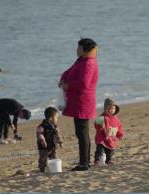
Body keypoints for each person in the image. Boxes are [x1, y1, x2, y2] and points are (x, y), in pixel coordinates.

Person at [60, 38, 99, 171]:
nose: (77, 50)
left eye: (79, 48)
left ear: (84, 49)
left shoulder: (89, 63)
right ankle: (85, 162)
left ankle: (84, 163)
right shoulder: (81, 61)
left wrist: (67, 85)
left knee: (82, 132)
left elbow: (84, 84)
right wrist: (63, 78)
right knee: (81, 132)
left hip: (83, 102)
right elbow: (69, 71)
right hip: (78, 102)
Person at [93, 98, 125, 166]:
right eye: (110, 109)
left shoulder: (116, 119)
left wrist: (120, 134)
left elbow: (119, 127)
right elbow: (96, 124)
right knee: (100, 150)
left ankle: (108, 160)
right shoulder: (101, 117)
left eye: (113, 109)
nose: (112, 110)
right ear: (106, 109)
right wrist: (100, 126)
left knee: (110, 151)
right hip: (101, 138)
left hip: (111, 138)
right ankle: (97, 160)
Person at [36, 107, 63, 172]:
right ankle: (42, 169)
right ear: (51, 118)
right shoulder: (42, 126)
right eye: (56, 117)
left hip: (53, 146)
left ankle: (54, 169)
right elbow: (39, 134)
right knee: (43, 159)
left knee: (54, 158)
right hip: (44, 147)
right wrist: (43, 140)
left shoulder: (55, 126)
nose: (57, 119)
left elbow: (58, 134)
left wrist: (60, 142)